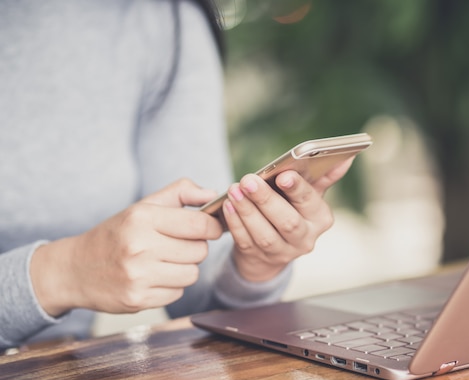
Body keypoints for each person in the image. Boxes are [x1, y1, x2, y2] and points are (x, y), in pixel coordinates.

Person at [0, 0, 352, 349]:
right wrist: (59, 273)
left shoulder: (167, 17)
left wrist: (254, 267)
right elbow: (69, 271)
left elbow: (198, 299)